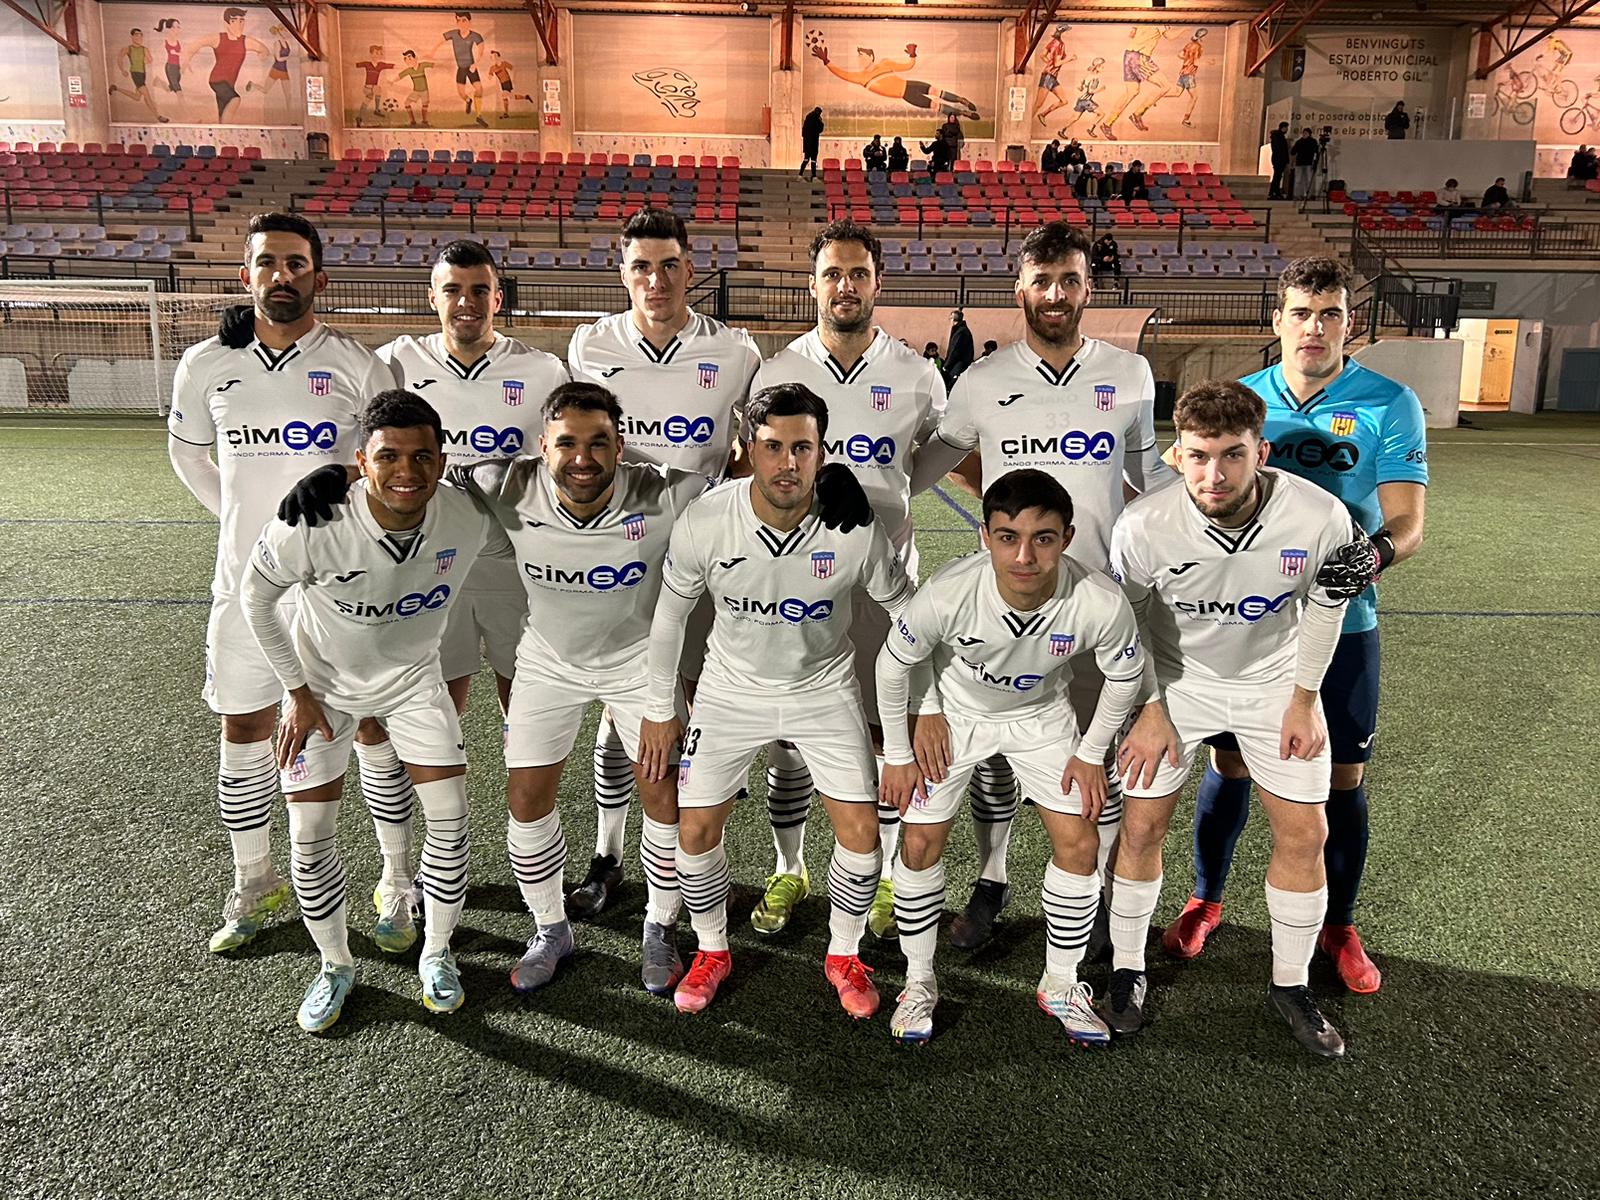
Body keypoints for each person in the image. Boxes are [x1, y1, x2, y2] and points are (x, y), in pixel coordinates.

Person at [908, 221, 1173, 953]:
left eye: (1070, 281)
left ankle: (1101, 901)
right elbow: (926, 470)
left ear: (1088, 289)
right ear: (1020, 289)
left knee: (1095, 759)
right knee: (994, 757)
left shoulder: (1129, 373)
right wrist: (853, 485)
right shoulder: (983, 381)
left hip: (1096, 606)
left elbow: (1150, 478)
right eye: (1043, 281)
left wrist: (1222, 507)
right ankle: (992, 881)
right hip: (1004, 601)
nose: (1056, 295)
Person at [1173, 258, 1428, 997]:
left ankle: (1338, 925)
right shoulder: (1245, 399)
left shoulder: (1390, 403)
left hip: (1344, 623)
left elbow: (1408, 523)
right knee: (1230, 765)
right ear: (1277, 320)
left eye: (1330, 314)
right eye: (1301, 313)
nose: (1315, 328)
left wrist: (1370, 556)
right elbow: (1190, 481)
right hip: (1247, 624)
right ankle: (1206, 899)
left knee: (1341, 777)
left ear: (1350, 322)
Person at [636, 383, 914, 1018]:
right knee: (694, 829)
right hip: (729, 691)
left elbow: (907, 614)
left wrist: (926, 697)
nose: (787, 463)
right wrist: (658, 708)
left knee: (862, 831)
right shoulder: (707, 519)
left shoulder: (852, 526)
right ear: (748, 449)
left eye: (802, 448)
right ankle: (712, 949)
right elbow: (670, 617)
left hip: (824, 688)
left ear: (822, 452)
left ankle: (843, 954)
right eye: (772, 447)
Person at [242, 391, 509, 1031]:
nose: (406, 472)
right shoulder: (313, 522)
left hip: (415, 685)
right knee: (309, 835)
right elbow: (256, 599)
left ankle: (437, 952)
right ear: (362, 461)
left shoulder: (467, 517)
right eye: (388, 457)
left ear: (443, 460)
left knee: (451, 818)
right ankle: (334, 965)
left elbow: (541, 520)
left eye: (422, 457)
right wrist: (297, 693)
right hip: (322, 694)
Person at [167, 212, 397, 957]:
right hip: (242, 586)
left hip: (338, 591)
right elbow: (189, 457)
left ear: (319, 277)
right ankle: (254, 879)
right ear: (247, 276)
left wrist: (329, 522)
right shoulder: (206, 363)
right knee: (244, 725)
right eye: (268, 262)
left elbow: (389, 465)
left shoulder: (359, 366)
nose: (282, 275)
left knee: (369, 726)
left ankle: (395, 879)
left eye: (297, 263)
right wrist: (255, 528)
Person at [1108, 379, 1358, 1057]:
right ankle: (1128, 970)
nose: (1213, 475)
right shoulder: (1143, 526)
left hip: (1274, 683)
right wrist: (1149, 708)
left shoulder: (1319, 516)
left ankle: (1290, 985)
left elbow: (1326, 608)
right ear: (1177, 455)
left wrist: (1304, 700)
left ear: (1261, 452)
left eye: (1231, 455)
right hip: (1175, 682)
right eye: (1197, 456)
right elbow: (1127, 622)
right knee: (1142, 825)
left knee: (1305, 833)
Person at [876, 469, 1145, 1045]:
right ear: (985, 537)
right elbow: (893, 664)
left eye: (1043, 538)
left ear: (1067, 537)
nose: (1024, 556)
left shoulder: (1099, 599)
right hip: (956, 716)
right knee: (919, 841)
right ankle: (919, 981)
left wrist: (1091, 752)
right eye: (1007, 537)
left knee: (1081, 841)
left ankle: (1060, 984)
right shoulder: (950, 591)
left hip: (1041, 719)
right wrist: (901, 748)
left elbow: (1125, 677)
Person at [746, 220, 948, 941]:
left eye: (859, 273)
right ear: (813, 285)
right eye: (833, 273)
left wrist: (891, 497)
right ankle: (789, 866)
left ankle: (887, 874)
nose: (846, 285)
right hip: (795, 587)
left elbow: (938, 457)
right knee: (789, 737)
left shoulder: (917, 373)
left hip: (886, 588)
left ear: (877, 283)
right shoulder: (777, 370)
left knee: (884, 731)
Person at [565, 207, 762, 918]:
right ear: (622, 273)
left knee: (705, 709)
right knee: (623, 715)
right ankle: (608, 854)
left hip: (708, 567)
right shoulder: (590, 345)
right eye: (641, 267)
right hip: (620, 561)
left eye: (669, 265)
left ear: (690, 269)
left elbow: (751, 450)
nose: (656, 280)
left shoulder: (735, 352)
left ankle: (695, 858)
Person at [376, 239, 568, 719]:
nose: (467, 302)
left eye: (480, 290)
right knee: (435, 704)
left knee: (526, 703)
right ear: (432, 297)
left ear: (497, 298)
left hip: (515, 564)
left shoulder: (543, 371)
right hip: (428, 562)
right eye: (453, 290)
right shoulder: (395, 363)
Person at [809, 37, 980, 122]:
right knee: (936, 106)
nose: (859, 60)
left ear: (871, 57)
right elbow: (842, 73)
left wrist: (912, 55)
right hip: (906, 95)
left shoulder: (884, 63)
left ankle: (961, 100)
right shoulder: (860, 77)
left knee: (937, 91)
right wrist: (827, 62)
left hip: (911, 84)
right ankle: (962, 113)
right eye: (858, 57)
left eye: (862, 56)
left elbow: (907, 66)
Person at [183, 7, 266, 123]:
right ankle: (226, 128)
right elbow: (196, 44)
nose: (238, 25)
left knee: (222, 112)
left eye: (241, 21)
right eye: (234, 21)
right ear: (226, 23)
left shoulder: (245, 41)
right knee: (235, 99)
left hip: (230, 84)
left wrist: (263, 57)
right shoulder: (218, 38)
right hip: (217, 80)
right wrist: (187, 60)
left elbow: (264, 50)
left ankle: (222, 129)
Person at [1098, 25, 1182, 140]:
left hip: (1128, 55)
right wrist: (1186, 28)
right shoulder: (1160, 22)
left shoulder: (1142, 19)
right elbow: (1170, 36)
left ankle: (1107, 124)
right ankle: (1137, 114)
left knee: (1131, 92)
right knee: (1165, 86)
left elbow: (1131, 34)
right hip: (1140, 57)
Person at [431, 10, 487, 127]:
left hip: (471, 67)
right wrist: (432, 52)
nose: (461, 23)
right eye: (458, 21)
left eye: (464, 20)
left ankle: (479, 116)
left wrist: (475, 64)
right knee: (461, 93)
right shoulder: (454, 34)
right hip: (461, 68)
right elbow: (440, 40)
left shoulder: (475, 36)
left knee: (479, 89)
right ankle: (468, 100)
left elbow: (481, 51)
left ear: (469, 21)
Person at [109, 29, 170, 122]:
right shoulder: (128, 48)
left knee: (137, 97)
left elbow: (150, 59)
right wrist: (122, 70)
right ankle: (158, 116)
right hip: (135, 73)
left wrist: (147, 60)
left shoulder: (144, 49)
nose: (139, 37)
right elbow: (119, 58)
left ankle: (116, 88)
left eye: (141, 35)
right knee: (147, 96)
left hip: (142, 74)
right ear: (132, 36)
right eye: (137, 35)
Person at [1033, 24, 1077, 128]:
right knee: (1038, 104)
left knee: (1064, 101)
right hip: (1048, 77)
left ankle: (1043, 114)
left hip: (1052, 77)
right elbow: (1057, 63)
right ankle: (1026, 122)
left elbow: (1042, 55)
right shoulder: (1060, 45)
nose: (1069, 34)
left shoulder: (1053, 42)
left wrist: (1049, 63)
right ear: (1063, 33)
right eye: (1067, 32)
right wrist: (1070, 59)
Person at [352, 45, 395, 127]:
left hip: (373, 88)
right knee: (378, 89)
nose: (377, 55)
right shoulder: (367, 64)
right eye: (375, 53)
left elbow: (392, 66)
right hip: (367, 87)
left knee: (367, 101)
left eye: (379, 53)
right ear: (371, 54)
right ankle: (376, 110)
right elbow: (354, 64)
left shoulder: (380, 65)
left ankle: (359, 117)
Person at [486, 50, 534, 119]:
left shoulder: (504, 63)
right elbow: (489, 77)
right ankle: (525, 97)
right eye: (492, 57)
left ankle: (506, 114)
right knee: (510, 97)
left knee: (504, 96)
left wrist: (514, 79)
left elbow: (513, 69)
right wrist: (489, 75)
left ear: (498, 56)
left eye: (495, 56)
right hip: (502, 84)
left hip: (507, 82)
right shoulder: (492, 68)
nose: (493, 58)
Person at [396, 50, 435, 127]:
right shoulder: (409, 70)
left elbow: (434, 65)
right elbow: (400, 76)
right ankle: (412, 121)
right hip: (416, 91)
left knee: (425, 105)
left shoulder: (422, 65)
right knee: (407, 103)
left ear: (415, 58)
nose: (408, 61)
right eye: (405, 59)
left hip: (424, 91)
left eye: (409, 58)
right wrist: (391, 81)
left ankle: (424, 121)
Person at [943, 307, 975, 386]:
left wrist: (946, 366)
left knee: (952, 385)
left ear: (953, 320)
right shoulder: (962, 330)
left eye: (950, 318)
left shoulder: (960, 332)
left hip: (958, 366)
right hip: (960, 364)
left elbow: (955, 350)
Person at [1291, 127, 1320, 200]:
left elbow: (1316, 152)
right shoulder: (1299, 142)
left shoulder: (1313, 142)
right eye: (1303, 133)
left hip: (1309, 163)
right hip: (1299, 163)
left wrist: (1315, 162)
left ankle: (1308, 195)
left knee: (1309, 180)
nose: (1304, 134)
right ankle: (1297, 195)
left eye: (1306, 133)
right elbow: (1293, 151)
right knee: (1298, 180)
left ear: (1309, 134)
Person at [157, 18, 183, 93]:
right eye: (176, 27)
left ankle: (158, 82)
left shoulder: (177, 41)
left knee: (171, 88)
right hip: (171, 67)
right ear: (170, 29)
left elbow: (181, 54)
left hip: (177, 67)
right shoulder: (166, 40)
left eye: (178, 27)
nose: (178, 29)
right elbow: (160, 54)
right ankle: (182, 102)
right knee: (178, 90)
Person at [800, 106, 824, 180]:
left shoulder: (808, 118)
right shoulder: (817, 119)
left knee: (806, 159)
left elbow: (803, 133)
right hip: (814, 144)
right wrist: (821, 121)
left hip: (807, 144)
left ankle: (800, 175)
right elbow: (820, 129)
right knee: (813, 160)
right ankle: (814, 176)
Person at [1268, 121, 1290, 200]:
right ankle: (1273, 192)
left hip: (1278, 159)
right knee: (1277, 176)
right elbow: (1281, 149)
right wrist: (1285, 159)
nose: (1287, 129)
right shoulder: (1279, 137)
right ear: (1283, 128)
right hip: (1279, 159)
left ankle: (1274, 191)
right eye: (1286, 128)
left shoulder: (1279, 136)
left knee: (1278, 176)